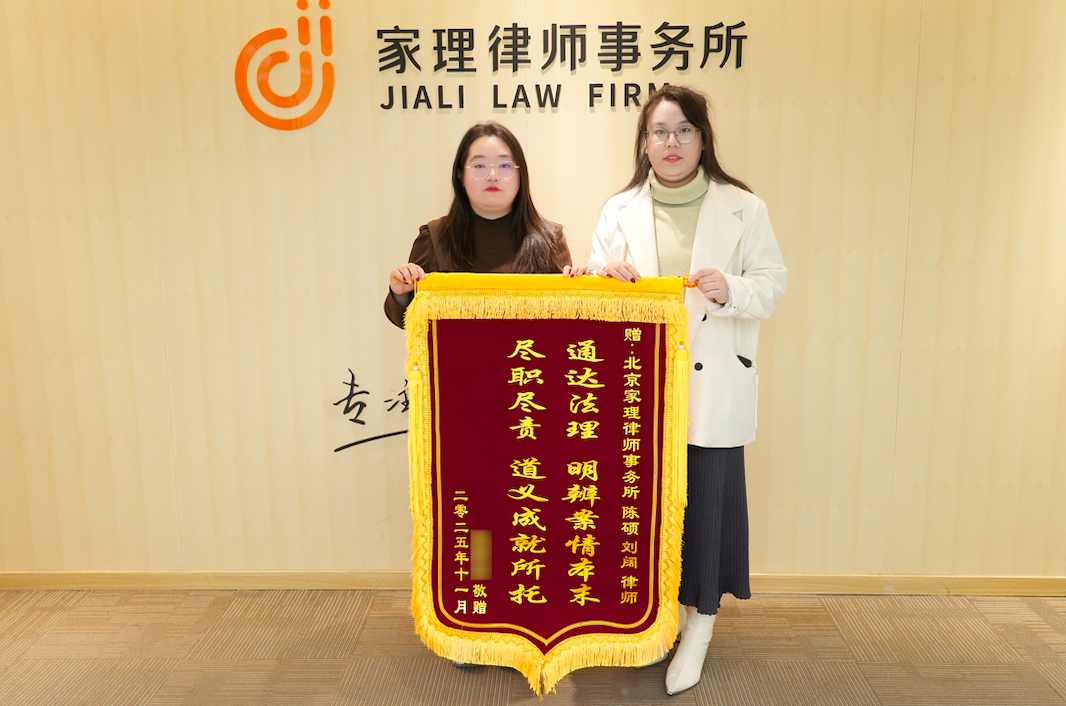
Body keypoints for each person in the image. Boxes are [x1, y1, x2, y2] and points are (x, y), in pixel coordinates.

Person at [566, 85, 787, 695]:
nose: (671, 142)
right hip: (639, 389)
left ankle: (700, 627)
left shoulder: (744, 207)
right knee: (642, 506)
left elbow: (772, 284)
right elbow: (591, 297)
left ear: (703, 138)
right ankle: (654, 618)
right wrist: (604, 277)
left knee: (708, 504)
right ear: (644, 143)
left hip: (714, 383)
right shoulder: (619, 210)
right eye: (659, 131)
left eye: (684, 130)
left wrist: (732, 288)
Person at [385, 122, 571, 327]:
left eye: (504, 166)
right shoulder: (435, 237)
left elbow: (571, 322)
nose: (492, 176)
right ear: (460, 175)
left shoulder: (550, 240)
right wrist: (401, 294)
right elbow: (406, 322)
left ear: (521, 174)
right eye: (479, 166)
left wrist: (584, 284)